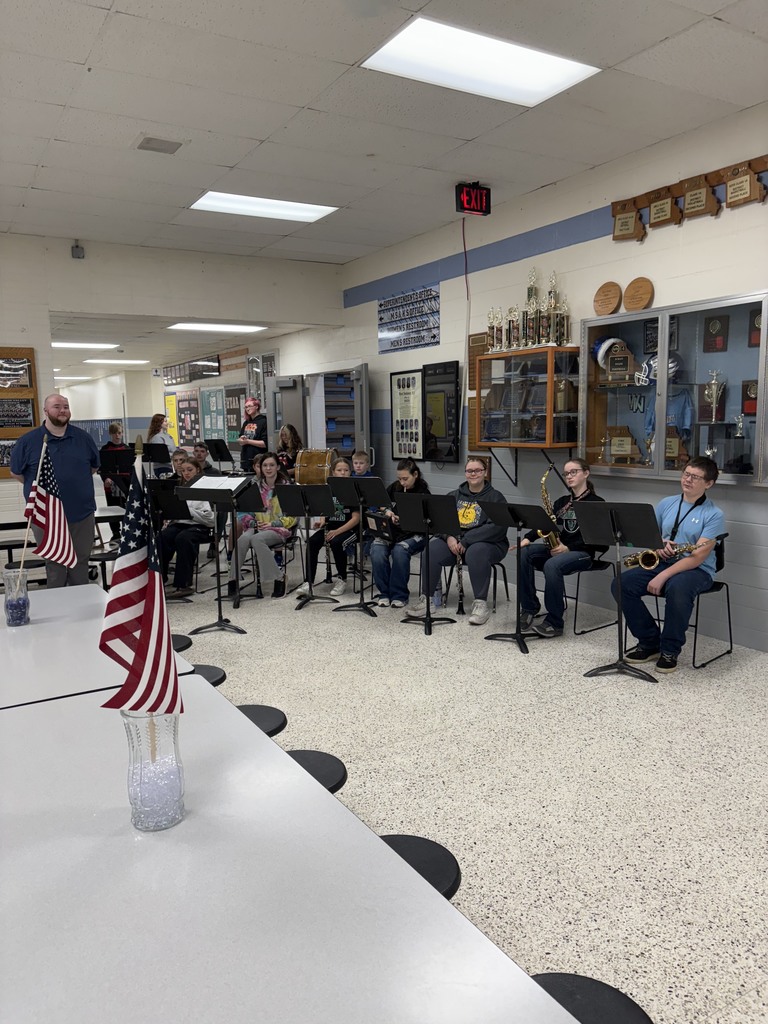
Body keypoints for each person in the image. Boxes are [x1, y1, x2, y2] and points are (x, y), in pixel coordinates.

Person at [612, 456, 725, 674]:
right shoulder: (666, 503)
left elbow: (698, 557)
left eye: (695, 477)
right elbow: (650, 537)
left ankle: (669, 650)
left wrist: (663, 576)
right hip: (664, 561)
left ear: (709, 483)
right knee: (620, 584)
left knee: (678, 588)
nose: (688, 480)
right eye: (686, 474)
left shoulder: (714, 515)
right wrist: (659, 545)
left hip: (697, 570)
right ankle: (649, 642)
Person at [10, 393, 99, 587]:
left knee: (80, 562)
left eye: (66, 406)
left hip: (81, 513)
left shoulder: (83, 438)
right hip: (45, 515)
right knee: (55, 564)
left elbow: (93, 468)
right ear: (45, 411)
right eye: (57, 406)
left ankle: (81, 608)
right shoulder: (28, 441)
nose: (62, 410)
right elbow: (18, 474)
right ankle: (58, 611)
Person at [408, 456, 508, 626]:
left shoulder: (495, 497)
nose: (473, 473)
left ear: (485, 473)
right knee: (430, 550)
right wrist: (449, 537)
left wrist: (467, 540)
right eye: (470, 470)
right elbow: (440, 521)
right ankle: (428, 600)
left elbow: (497, 528)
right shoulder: (453, 496)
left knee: (477, 552)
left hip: (488, 544)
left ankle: (480, 604)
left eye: (478, 470)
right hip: (455, 542)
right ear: (465, 473)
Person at [515, 458, 605, 638]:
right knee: (524, 553)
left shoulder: (596, 502)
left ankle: (554, 623)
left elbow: (600, 541)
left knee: (552, 565)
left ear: (586, 473)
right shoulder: (562, 502)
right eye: (566, 474)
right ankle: (529, 607)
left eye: (574, 472)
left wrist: (568, 548)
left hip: (582, 554)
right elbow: (546, 524)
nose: (569, 476)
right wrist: (527, 538)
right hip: (558, 548)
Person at [228, 453, 295, 599]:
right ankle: (233, 579)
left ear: (278, 467)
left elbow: (293, 516)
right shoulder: (255, 487)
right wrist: (252, 522)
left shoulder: (287, 487)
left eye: (271, 465)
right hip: (257, 526)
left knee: (257, 539)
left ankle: (279, 577)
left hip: (278, 528)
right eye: (265, 465)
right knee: (242, 540)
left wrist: (272, 523)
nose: (268, 468)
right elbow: (244, 512)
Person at [370, 459, 430, 608]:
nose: (402, 482)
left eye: (405, 479)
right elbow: (382, 505)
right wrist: (388, 512)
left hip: (416, 534)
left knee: (399, 550)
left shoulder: (423, 492)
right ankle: (384, 593)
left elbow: (427, 519)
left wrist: (406, 519)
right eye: (399, 478)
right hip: (393, 532)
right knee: (376, 549)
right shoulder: (394, 487)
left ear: (415, 474)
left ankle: (399, 595)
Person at [297, 457, 360, 598]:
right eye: (339, 470)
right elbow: (325, 510)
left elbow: (356, 518)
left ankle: (342, 579)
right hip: (331, 527)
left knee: (337, 542)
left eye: (346, 470)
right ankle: (308, 582)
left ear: (350, 472)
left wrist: (337, 531)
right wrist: (322, 521)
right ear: (333, 472)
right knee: (312, 542)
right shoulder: (329, 489)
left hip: (349, 529)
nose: (343, 473)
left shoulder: (353, 490)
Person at [159, 457, 215, 599]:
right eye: (183, 471)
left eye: (189, 470)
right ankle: (160, 577)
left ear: (198, 470)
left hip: (200, 527)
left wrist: (188, 512)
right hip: (180, 523)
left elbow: (210, 520)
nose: (186, 473)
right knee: (163, 537)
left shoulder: (206, 489)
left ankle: (183, 584)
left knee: (183, 539)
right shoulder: (180, 488)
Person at [99, 422, 131, 542]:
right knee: (112, 508)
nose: (117, 436)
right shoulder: (105, 450)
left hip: (125, 483)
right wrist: (105, 478)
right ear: (110, 434)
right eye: (114, 433)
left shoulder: (127, 449)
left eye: (119, 433)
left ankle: (126, 530)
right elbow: (102, 468)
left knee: (125, 507)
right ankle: (115, 532)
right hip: (110, 483)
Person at [238, 397, 268, 471]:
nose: (247, 409)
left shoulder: (264, 421)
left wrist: (248, 441)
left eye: (249, 406)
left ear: (256, 406)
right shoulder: (246, 422)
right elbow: (240, 439)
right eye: (246, 407)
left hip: (258, 461)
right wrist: (241, 440)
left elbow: (265, 443)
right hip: (245, 460)